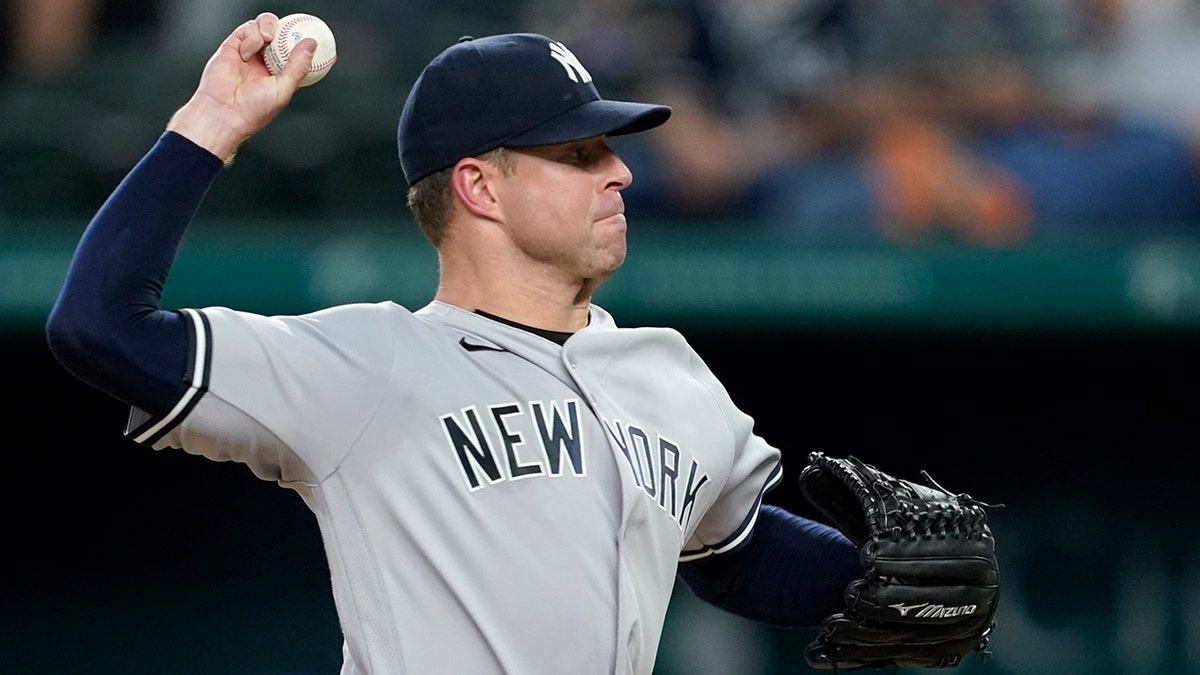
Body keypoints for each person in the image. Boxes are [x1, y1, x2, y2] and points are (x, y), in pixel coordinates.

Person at [44, 12, 861, 675]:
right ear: (478, 185)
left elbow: (734, 548)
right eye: (579, 153)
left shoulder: (668, 372)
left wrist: (874, 576)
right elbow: (100, 324)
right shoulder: (367, 365)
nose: (621, 173)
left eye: (610, 148)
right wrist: (210, 123)